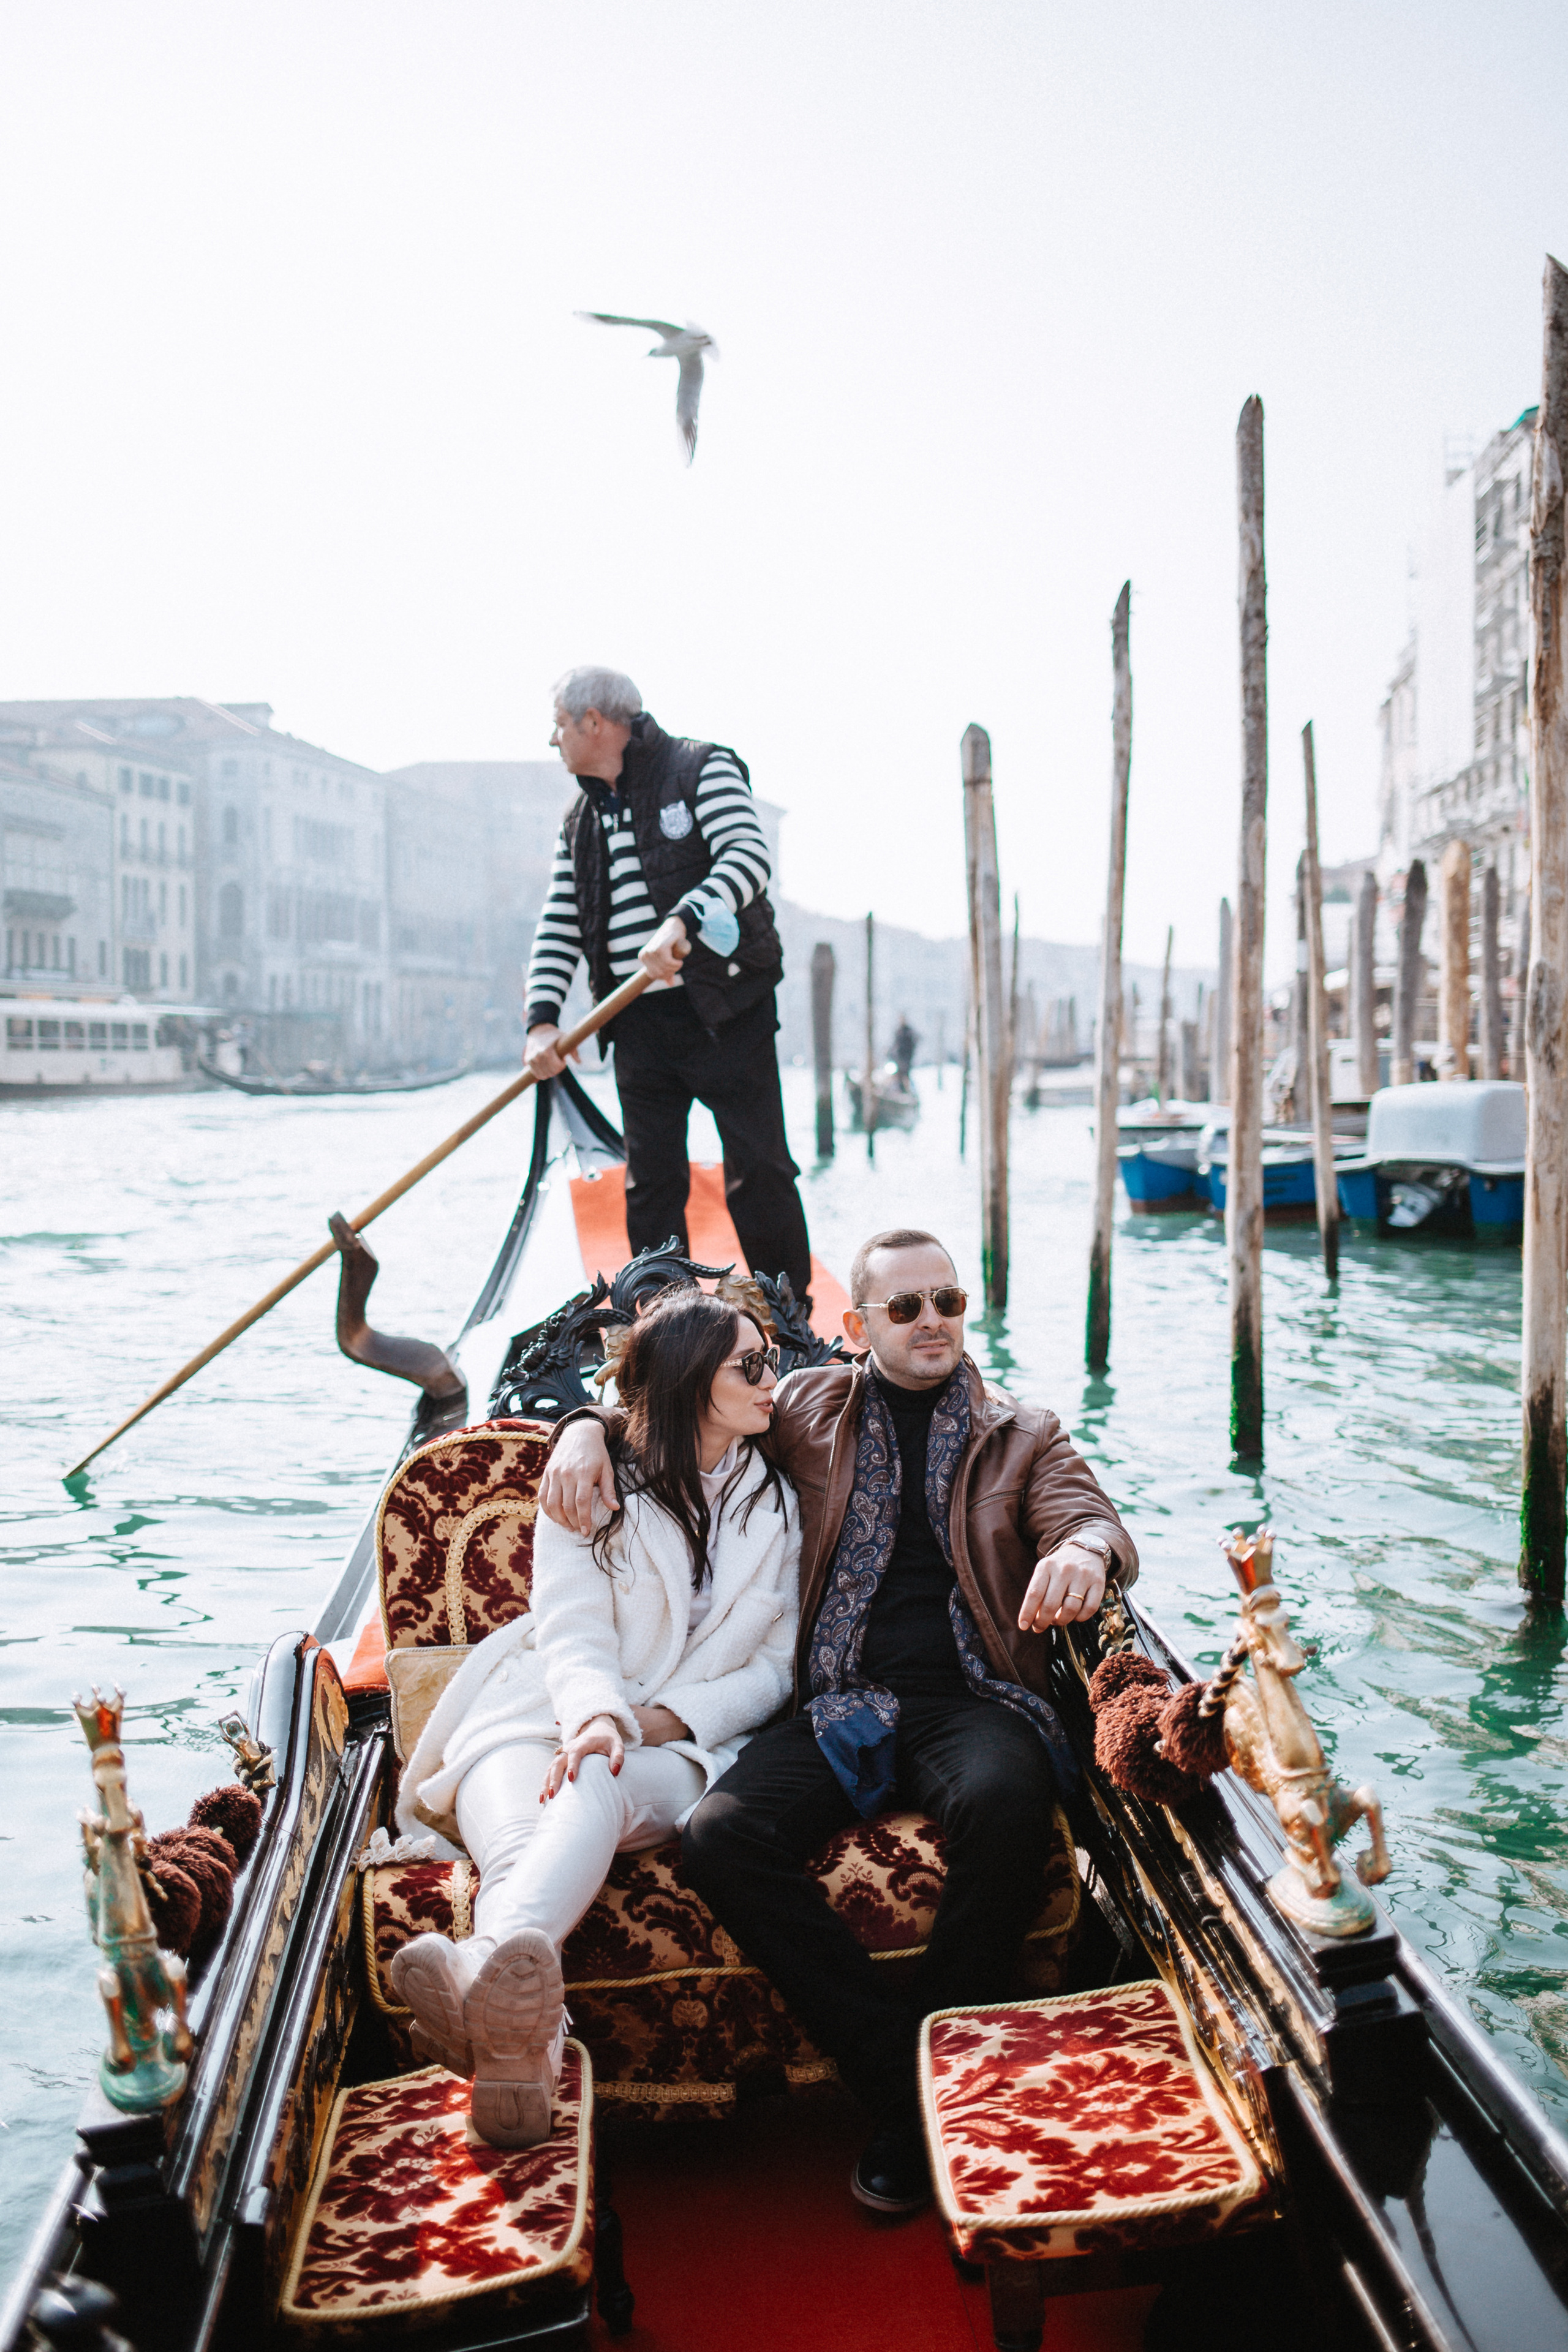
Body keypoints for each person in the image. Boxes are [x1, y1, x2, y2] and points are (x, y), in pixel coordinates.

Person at [540, 1227, 1138, 2212]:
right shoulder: (806, 1406)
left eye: (947, 1301)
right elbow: (680, 1396)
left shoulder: (1023, 1431)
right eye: (906, 1308)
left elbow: (1090, 1514)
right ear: (859, 1327)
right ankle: (916, 2091)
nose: (932, 1322)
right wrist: (584, 1428)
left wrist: (1083, 1549)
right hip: (835, 1699)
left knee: (1006, 1797)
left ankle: (920, 2112)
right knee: (721, 1838)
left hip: (969, 1697)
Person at [389, 1289, 801, 2148]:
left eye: (771, 1360)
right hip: (536, 1707)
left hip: (684, 1743)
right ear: (693, 1384)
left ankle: (475, 1971)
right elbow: (570, 1628)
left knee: (590, 1785)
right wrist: (595, 1717)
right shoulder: (588, 1483)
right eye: (752, 1366)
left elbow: (776, 1669)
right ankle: (521, 2056)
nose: (774, 1379)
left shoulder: (780, 1505)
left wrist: (651, 1723)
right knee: (515, 1839)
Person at [524, 665, 813, 1298]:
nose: (554, 742)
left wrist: (682, 918)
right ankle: (664, 1322)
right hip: (636, 1026)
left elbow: (748, 856)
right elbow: (559, 921)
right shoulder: (578, 823)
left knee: (758, 1168)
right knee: (650, 1183)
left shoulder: (700, 767)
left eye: (558, 727)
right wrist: (542, 1018)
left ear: (594, 724)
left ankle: (788, 1311)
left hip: (725, 1008)